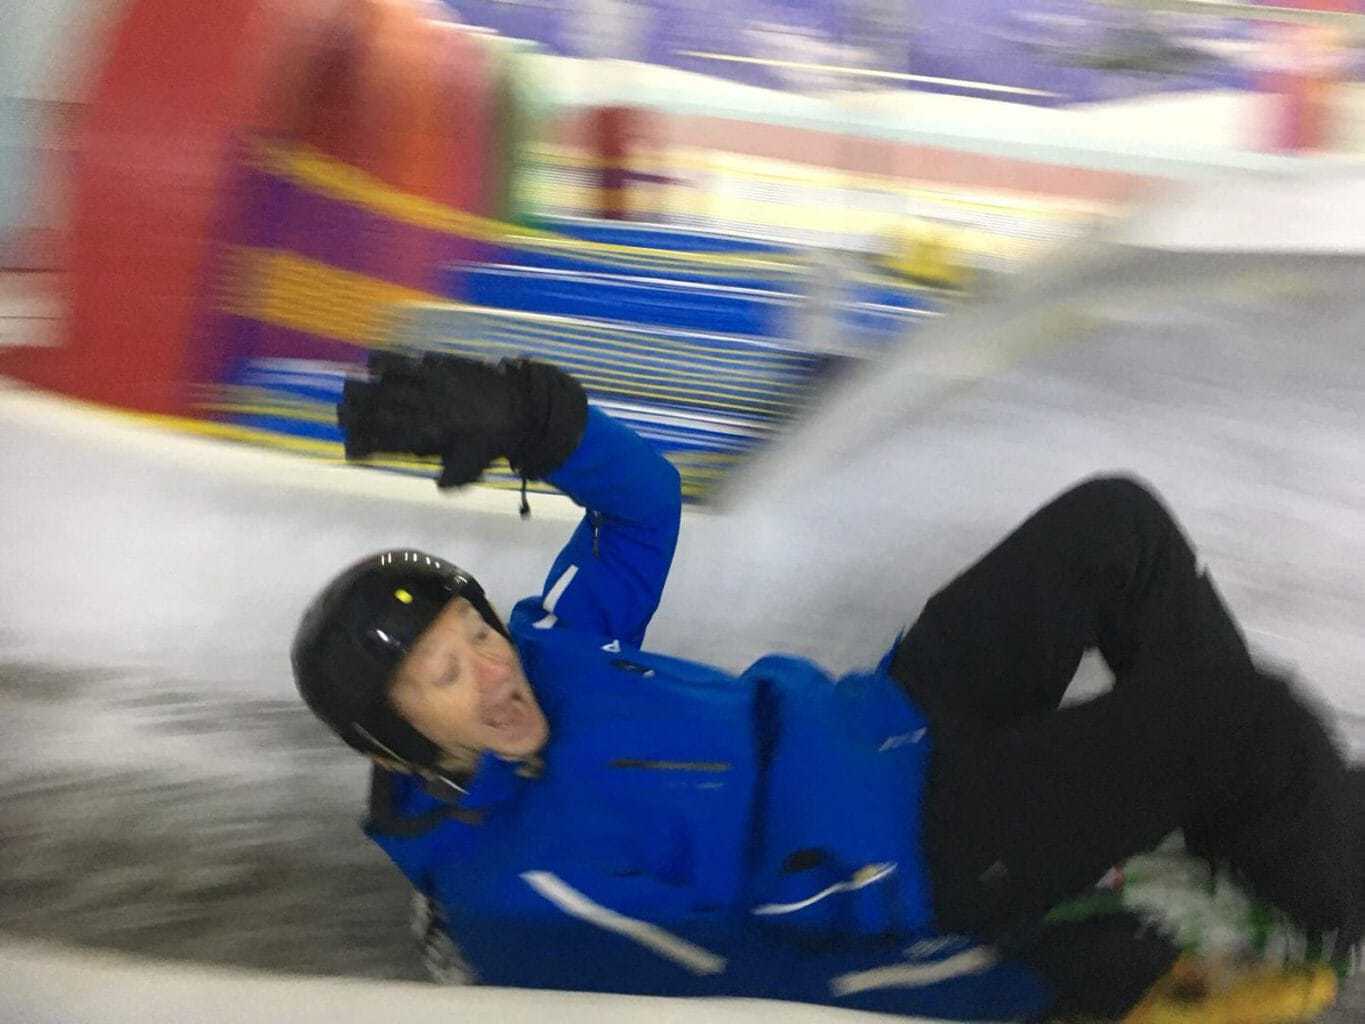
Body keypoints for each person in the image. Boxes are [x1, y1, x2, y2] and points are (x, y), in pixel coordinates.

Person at [292, 349, 1357, 1022]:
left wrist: (539, 420)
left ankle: (1258, 854)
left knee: (1111, 530)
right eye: (443, 671)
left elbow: (642, 508)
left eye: (475, 628)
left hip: (886, 717)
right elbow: (731, 981)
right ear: (395, 740)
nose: (489, 665)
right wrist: (1036, 978)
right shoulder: (512, 887)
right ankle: (1336, 909)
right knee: (1239, 722)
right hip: (916, 853)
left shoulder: (555, 645)